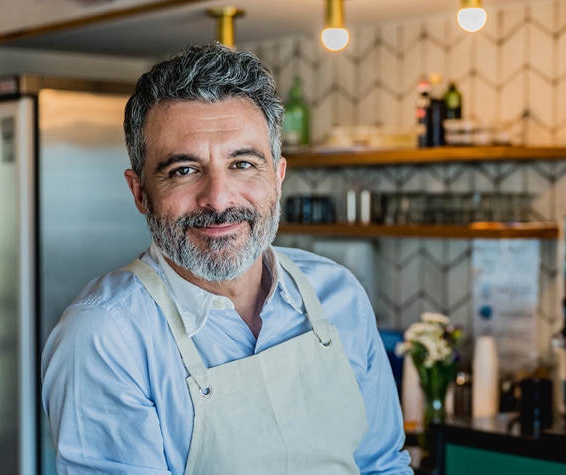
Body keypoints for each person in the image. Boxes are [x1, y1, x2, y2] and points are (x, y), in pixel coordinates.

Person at [41, 44, 412, 474]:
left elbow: (383, 465)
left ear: (277, 176)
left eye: (242, 163)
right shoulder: (105, 336)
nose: (218, 199)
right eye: (183, 170)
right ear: (139, 192)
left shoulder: (337, 294)